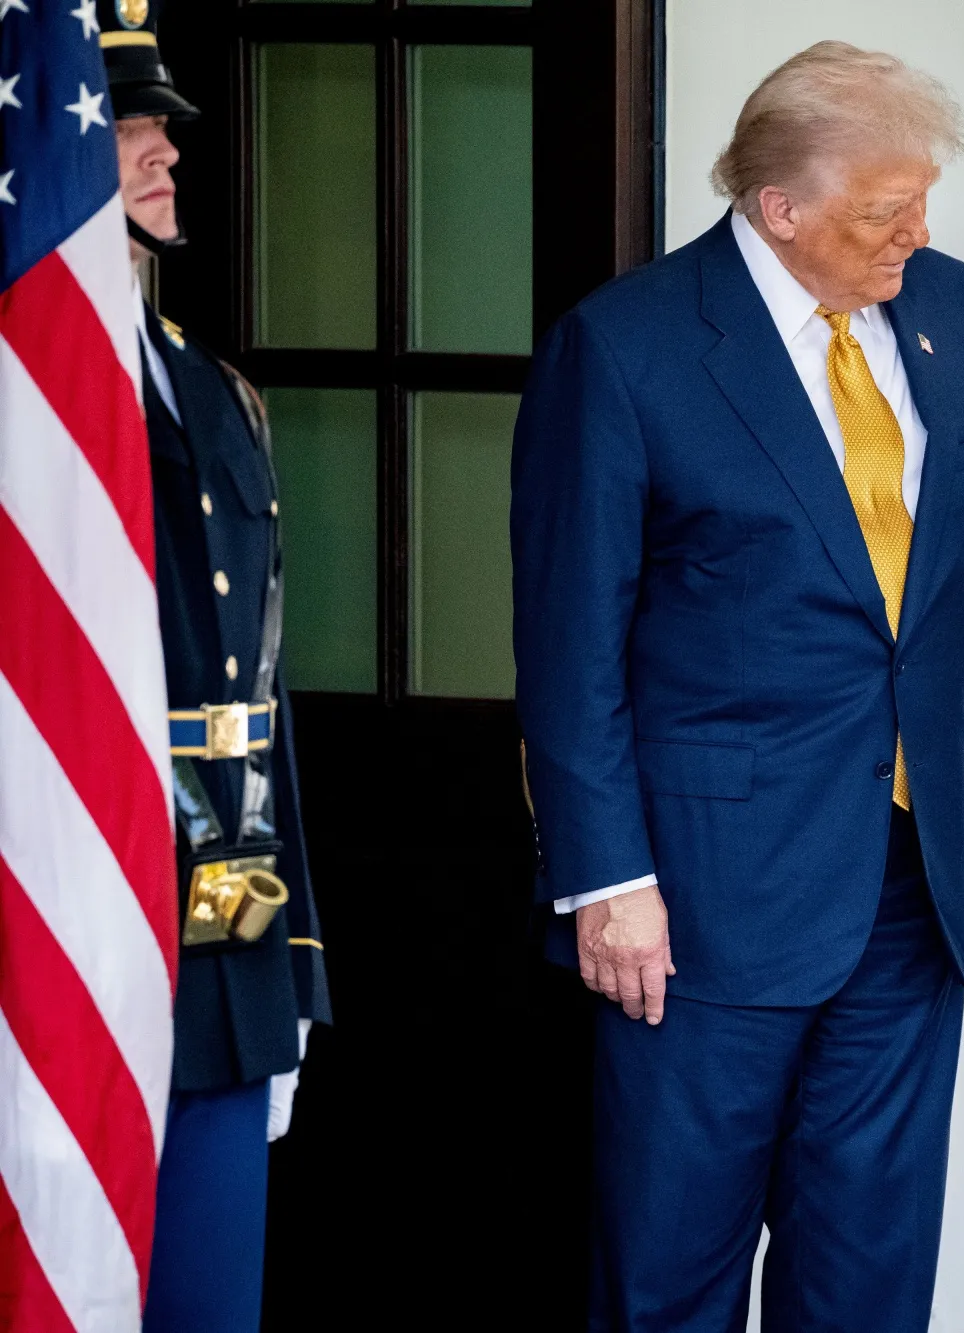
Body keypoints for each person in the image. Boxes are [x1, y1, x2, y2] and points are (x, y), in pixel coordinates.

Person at [510, 41, 964, 1332]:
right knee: (671, 1278)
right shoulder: (626, 349)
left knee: (870, 1280)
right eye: (889, 211)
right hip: (702, 905)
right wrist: (609, 883)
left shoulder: (948, 305)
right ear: (781, 207)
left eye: (923, 202)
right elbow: (567, 645)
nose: (919, 234)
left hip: (909, 889)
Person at [101, 4, 336, 1331]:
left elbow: (253, 710)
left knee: (207, 1301)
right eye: (128, 130)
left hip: (218, 920)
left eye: (160, 130)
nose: (165, 155)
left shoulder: (218, 394)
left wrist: (281, 962)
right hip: (60, 921)